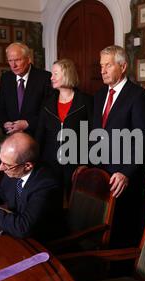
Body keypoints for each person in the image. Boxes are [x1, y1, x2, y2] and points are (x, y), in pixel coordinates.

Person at [91, 45, 145, 248]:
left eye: (108, 65)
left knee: (121, 233)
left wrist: (126, 172)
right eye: (101, 66)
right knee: (101, 229)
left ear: (123, 66)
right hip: (101, 173)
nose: (103, 70)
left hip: (124, 178)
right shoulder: (99, 95)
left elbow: (142, 139)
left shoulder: (138, 95)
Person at [36, 59, 93, 199]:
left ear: (67, 74)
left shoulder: (86, 101)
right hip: (49, 164)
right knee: (50, 204)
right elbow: (39, 135)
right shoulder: (47, 103)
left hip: (76, 164)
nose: (51, 77)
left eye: (55, 73)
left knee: (76, 204)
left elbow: (93, 135)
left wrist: (85, 163)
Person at [0, 42, 52, 136]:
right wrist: (5, 123)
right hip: (13, 137)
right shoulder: (6, 78)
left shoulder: (45, 78)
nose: (13, 65)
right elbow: (1, 108)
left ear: (28, 59)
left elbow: (50, 111)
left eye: (17, 60)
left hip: (38, 137)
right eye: (10, 61)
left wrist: (28, 124)